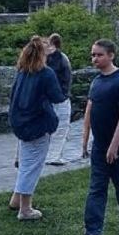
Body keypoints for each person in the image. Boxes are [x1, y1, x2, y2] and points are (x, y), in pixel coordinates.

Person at [72, 39, 119, 235]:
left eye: (99, 55)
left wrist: (114, 146)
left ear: (111, 55)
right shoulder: (96, 82)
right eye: (93, 55)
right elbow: (89, 112)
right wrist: (85, 141)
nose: (94, 59)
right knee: (96, 189)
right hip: (100, 145)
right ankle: (92, 234)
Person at [9, 36, 66, 221]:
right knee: (32, 165)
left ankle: (16, 199)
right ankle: (25, 209)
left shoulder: (22, 72)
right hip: (38, 123)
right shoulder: (45, 73)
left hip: (20, 123)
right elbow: (58, 96)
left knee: (26, 162)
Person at [44, 33, 74, 167]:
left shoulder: (42, 58)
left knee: (46, 128)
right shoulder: (62, 58)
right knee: (61, 127)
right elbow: (67, 78)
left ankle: (44, 155)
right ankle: (54, 155)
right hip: (60, 97)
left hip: (45, 98)